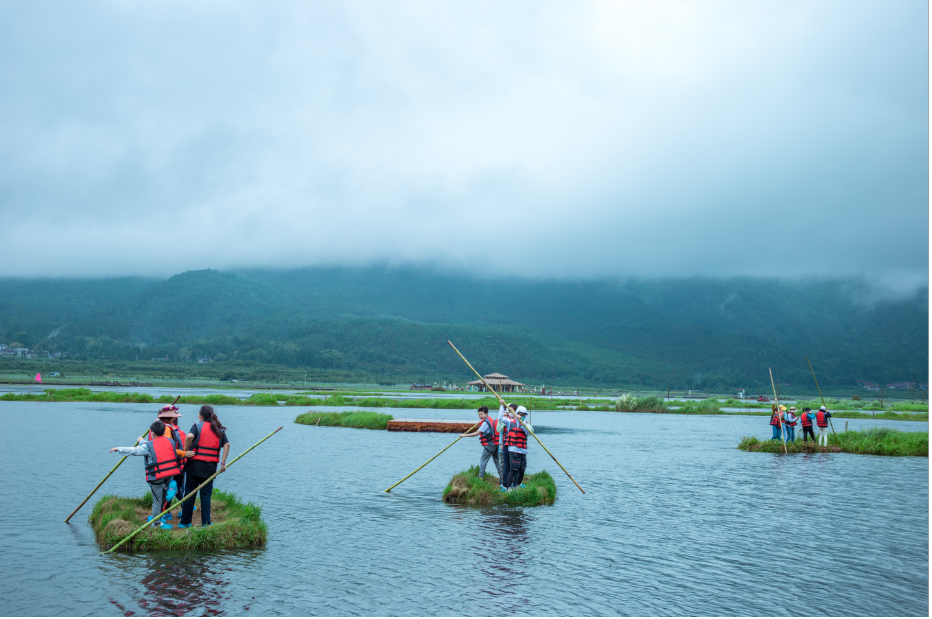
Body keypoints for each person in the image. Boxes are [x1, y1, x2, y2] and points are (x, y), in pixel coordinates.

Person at [109, 420, 182, 529]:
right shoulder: (170, 441)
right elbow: (149, 444)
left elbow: (134, 450)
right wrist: (141, 441)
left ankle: (157, 524)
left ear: (152, 434)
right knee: (164, 494)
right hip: (169, 474)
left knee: (157, 502)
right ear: (164, 431)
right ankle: (172, 488)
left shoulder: (148, 446)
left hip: (156, 477)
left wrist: (118, 449)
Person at [179, 405, 230, 528]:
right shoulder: (218, 429)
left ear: (201, 416)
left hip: (194, 466)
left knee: (189, 494)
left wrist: (185, 451)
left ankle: (185, 522)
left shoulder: (197, 426)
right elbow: (227, 444)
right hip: (210, 467)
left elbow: (190, 436)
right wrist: (223, 463)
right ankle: (205, 523)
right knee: (206, 496)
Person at [459, 406, 501, 479]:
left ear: (486, 413)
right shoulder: (489, 419)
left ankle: (480, 477)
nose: (480, 416)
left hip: (490, 444)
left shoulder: (485, 423)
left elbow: (476, 433)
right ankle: (502, 477)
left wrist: (464, 435)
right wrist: (481, 422)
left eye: (482, 414)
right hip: (495, 443)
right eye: (479, 415)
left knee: (483, 460)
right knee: (496, 460)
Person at [504, 406, 533, 489]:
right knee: (513, 469)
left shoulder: (526, 424)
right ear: (517, 414)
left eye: (524, 414)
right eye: (521, 414)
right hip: (513, 449)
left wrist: (522, 421)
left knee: (522, 469)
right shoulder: (510, 422)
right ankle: (508, 488)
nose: (522, 415)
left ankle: (517, 486)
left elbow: (527, 431)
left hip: (523, 450)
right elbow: (501, 419)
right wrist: (502, 408)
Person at [497, 403, 518, 490]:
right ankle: (504, 484)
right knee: (506, 465)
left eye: (512, 411)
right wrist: (501, 407)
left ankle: (515, 484)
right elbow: (500, 427)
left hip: (515, 446)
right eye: (509, 411)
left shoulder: (519, 421)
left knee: (515, 466)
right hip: (507, 445)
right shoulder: (507, 420)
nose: (510, 412)